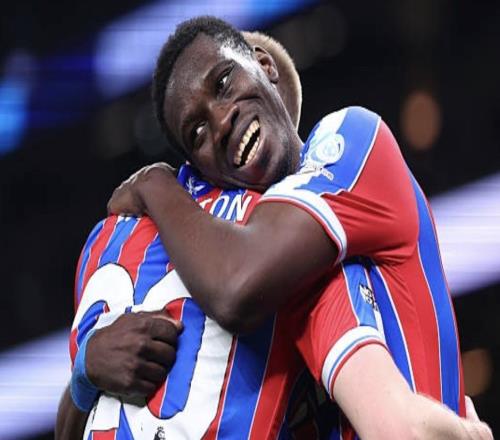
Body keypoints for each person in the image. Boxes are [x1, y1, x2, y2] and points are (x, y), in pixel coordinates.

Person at [56, 24, 492, 439]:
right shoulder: (289, 275)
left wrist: (154, 183)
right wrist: (85, 373)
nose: (222, 121)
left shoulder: (349, 142)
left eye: (223, 82)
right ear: (201, 169)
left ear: (264, 66)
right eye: (198, 132)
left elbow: (237, 284)